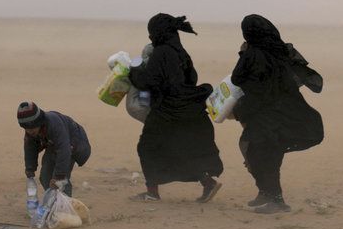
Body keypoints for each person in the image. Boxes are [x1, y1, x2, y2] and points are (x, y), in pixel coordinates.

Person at [230, 14, 324, 214]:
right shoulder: (278, 50)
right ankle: (266, 193)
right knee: (269, 152)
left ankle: (276, 200)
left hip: (267, 114)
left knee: (257, 152)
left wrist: (242, 53)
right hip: (286, 111)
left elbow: (238, 78)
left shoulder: (253, 53)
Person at [129, 14, 223, 203]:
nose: (150, 37)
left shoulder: (161, 52)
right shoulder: (181, 51)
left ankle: (152, 193)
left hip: (167, 111)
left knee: (147, 147)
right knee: (182, 149)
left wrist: (133, 71)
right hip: (188, 109)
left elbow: (148, 82)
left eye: (151, 32)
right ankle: (208, 183)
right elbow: (192, 79)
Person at [18, 101, 91, 196]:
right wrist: (30, 168)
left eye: (31, 129)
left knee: (61, 182)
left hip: (73, 144)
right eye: (26, 129)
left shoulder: (54, 124)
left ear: (39, 122)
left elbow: (64, 151)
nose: (29, 131)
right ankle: (55, 201)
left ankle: (65, 205)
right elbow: (30, 148)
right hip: (53, 145)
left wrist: (59, 176)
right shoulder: (30, 129)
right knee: (45, 177)